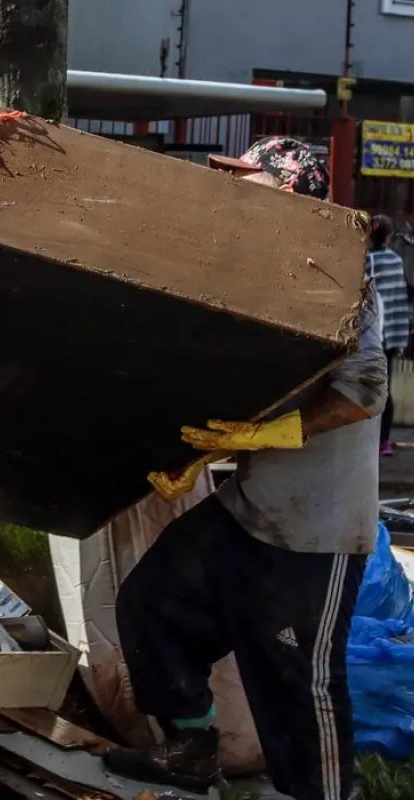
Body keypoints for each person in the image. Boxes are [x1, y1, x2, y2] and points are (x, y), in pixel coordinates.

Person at [103, 138, 387, 800]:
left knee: (298, 682)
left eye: (248, 179)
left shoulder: (343, 274)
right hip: (249, 508)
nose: (234, 190)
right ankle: (193, 749)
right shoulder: (255, 272)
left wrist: (270, 433)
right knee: (153, 604)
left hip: (315, 529)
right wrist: (206, 451)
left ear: (288, 192)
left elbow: (363, 390)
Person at [366, 214, 410, 455]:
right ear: (390, 237)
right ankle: (384, 442)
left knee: (365, 389)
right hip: (390, 339)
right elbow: (399, 302)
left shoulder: (363, 261)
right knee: (386, 390)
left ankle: (368, 441)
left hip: (369, 337)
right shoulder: (395, 261)